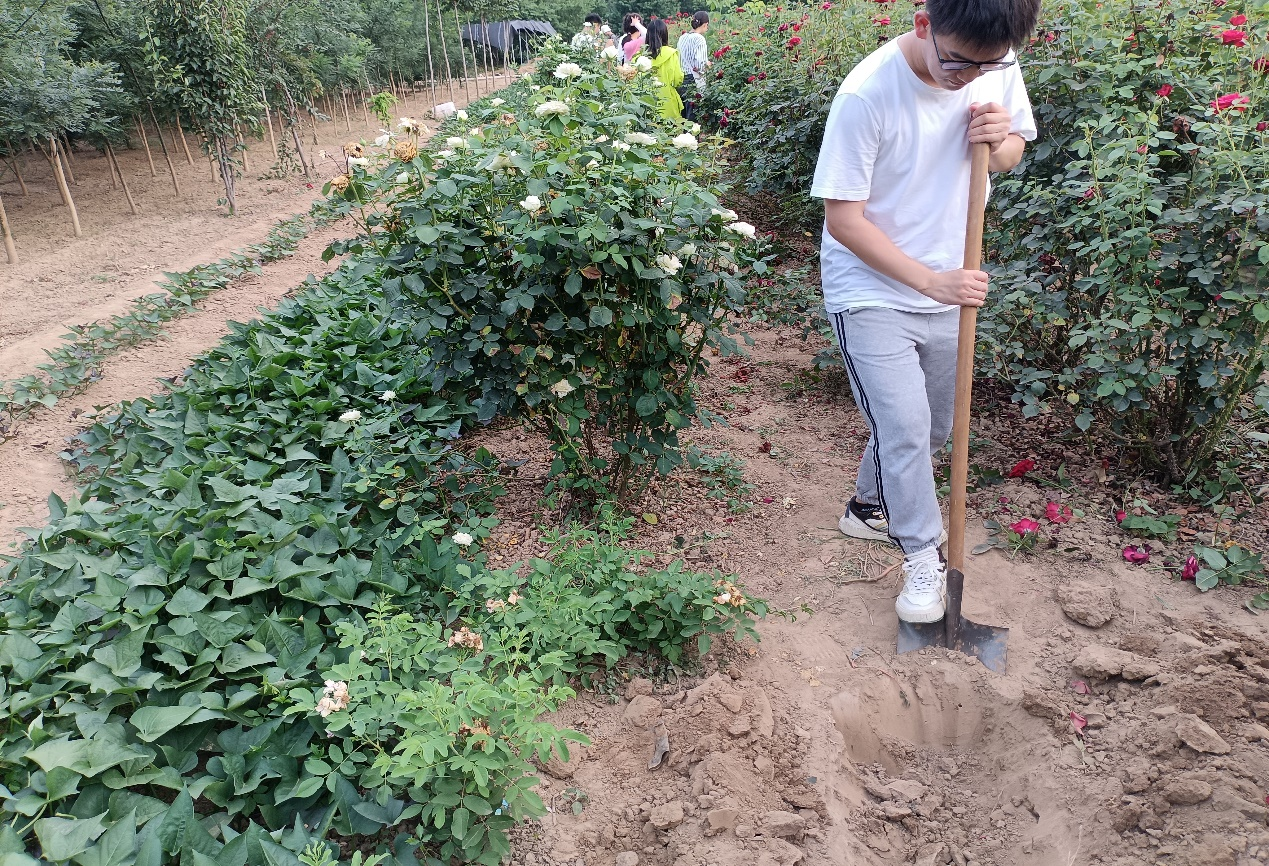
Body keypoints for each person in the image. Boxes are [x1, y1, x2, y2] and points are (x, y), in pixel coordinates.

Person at [809, 0, 1040, 624]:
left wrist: (999, 141)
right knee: (907, 428)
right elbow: (844, 219)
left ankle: (868, 506)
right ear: (922, 25)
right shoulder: (866, 95)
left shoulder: (992, 61)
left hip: (951, 280)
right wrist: (928, 282)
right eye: (958, 62)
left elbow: (1010, 151)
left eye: (988, 66)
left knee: (932, 428)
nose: (970, 77)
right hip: (873, 289)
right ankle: (920, 555)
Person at [638, 18, 684, 120]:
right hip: (668, 102)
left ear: (648, 35)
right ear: (665, 34)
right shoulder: (671, 54)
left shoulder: (640, 56)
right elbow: (677, 79)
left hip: (646, 104)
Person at [676, 11, 710, 120]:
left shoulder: (682, 37)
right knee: (693, 116)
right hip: (693, 79)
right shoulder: (699, 39)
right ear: (705, 24)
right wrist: (709, 65)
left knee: (683, 115)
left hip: (681, 79)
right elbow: (700, 64)